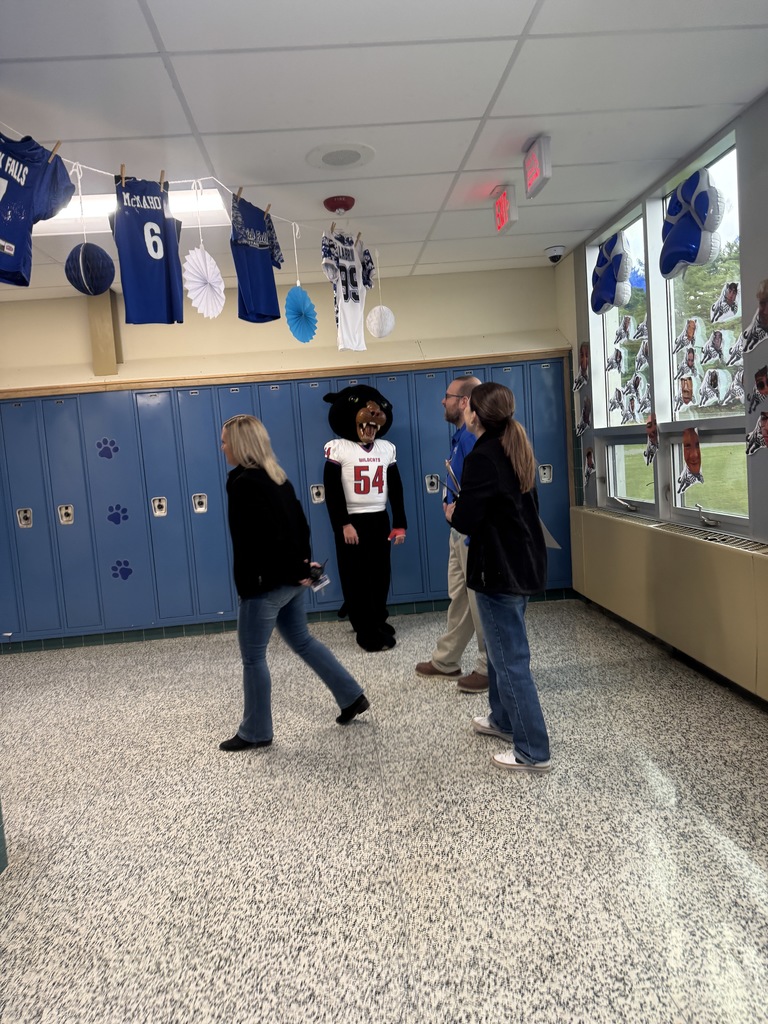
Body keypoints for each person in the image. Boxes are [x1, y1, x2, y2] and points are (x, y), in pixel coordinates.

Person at [219, 414, 369, 751]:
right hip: (292, 580)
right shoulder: (278, 478)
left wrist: (287, 572)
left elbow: (260, 541)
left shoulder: (243, 483)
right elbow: (299, 527)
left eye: (225, 441)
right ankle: (351, 696)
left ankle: (255, 732)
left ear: (240, 444)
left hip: (265, 585)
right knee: (303, 641)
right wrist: (303, 567)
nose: (222, 446)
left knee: (253, 658)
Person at [449, 382, 551, 773]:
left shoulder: (483, 455)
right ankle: (503, 720)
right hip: (517, 563)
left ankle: (533, 751)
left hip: (499, 570)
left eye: (468, 407)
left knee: (510, 660)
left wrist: (453, 512)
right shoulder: (511, 445)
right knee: (498, 652)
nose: (463, 411)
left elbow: (466, 518)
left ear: (475, 414)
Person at [416, 375, 488, 693]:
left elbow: (477, 486)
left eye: (447, 396)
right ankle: (447, 660)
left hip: (471, 531)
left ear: (463, 402)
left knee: (480, 599)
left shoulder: (473, 438)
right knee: (459, 596)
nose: (442, 401)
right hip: (457, 530)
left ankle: (488, 668)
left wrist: (459, 510)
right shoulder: (460, 436)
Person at [322, 384, 407, 652]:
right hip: (352, 522)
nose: (370, 424)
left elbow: (396, 487)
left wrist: (399, 523)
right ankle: (364, 628)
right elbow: (332, 492)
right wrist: (343, 523)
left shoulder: (386, 449)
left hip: (379, 518)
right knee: (355, 574)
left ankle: (377, 619)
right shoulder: (339, 448)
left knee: (380, 573)